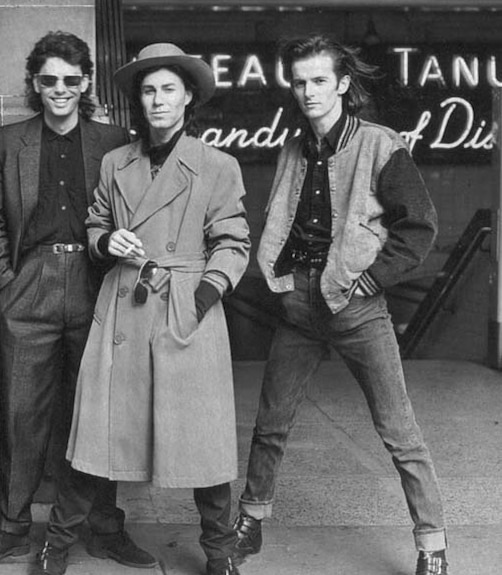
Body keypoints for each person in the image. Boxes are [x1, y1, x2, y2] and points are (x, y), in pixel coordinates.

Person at [232, 35, 449, 575]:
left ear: (343, 84)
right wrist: (280, 278)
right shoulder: (295, 144)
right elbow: (280, 218)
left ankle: (433, 545)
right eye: (300, 82)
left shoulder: (379, 144)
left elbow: (419, 227)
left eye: (319, 81)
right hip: (299, 303)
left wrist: (373, 280)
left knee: (399, 432)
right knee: (270, 423)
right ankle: (251, 520)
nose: (308, 92)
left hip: (355, 305)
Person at [0, 31, 155, 574]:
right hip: (31, 282)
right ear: (33, 82)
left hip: (99, 281)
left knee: (98, 411)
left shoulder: (115, 140)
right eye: (48, 79)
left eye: (71, 80)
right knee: (22, 411)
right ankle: (12, 527)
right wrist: (7, 281)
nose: (60, 90)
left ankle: (102, 526)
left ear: (87, 83)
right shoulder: (7, 142)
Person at [65, 43, 251, 575]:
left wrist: (198, 301)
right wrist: (107, 242)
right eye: (148, 90)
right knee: (106, 428)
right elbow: (96, 221)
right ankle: (77, 535)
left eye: (169, 89)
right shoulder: (114, 162)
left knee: (201, 439)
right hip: (125, 304)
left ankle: (220, 553)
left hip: (185, 310)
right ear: (138, 100)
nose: (158, 100)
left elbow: (233, 242)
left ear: (188, 97)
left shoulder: (217, 165)